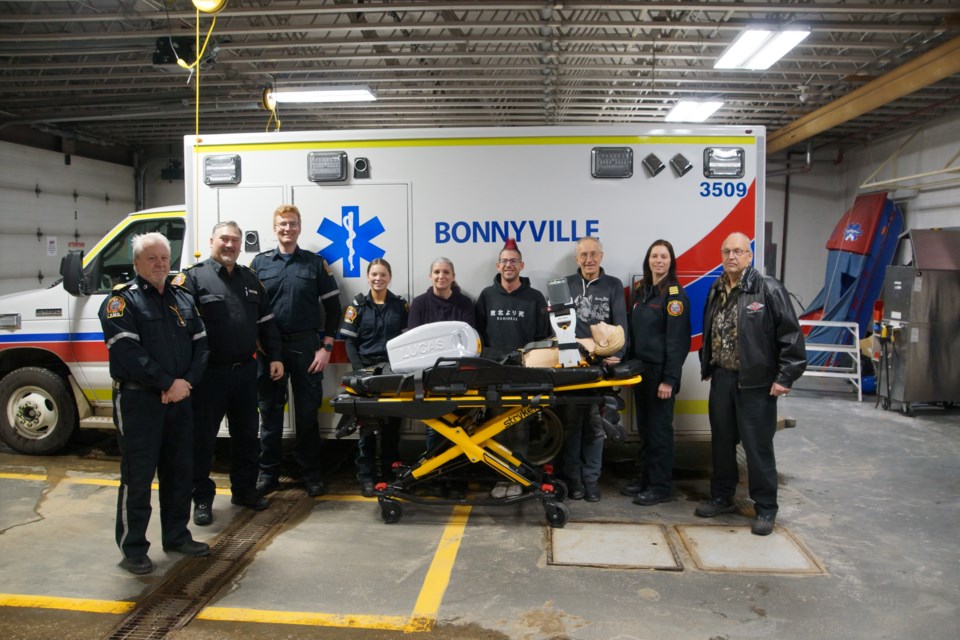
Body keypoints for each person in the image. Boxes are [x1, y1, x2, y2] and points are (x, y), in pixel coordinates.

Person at [99, 232, 210, 575]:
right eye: (151, 258)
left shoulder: (182, 298)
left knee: (179, 471)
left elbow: (202, 346)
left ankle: (176, 535)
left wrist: (185, 384)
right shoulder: (122, 302)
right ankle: (133, 548)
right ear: (136, 264)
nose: (160, 263)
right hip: (139, 400)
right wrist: (166, 383)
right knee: (138, 475)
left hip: (179, 399)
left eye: (164, 257)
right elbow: (128, 352)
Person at [696, 232, 807, 536]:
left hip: (756, 384)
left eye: (738, 251)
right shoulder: (716, 288)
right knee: (720, 443)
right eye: (727, 251)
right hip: (722, 379)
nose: (732, 256)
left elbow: (791, 335)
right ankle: (721, 497)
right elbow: (710, 328)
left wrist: (785, 376)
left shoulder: (768, 289)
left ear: (750, 256)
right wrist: (709, 363)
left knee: (757, 448)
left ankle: (766, 509)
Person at [184, 222, 284, 526]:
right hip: (209, 376)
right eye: (224, 239)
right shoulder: (193, 278)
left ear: (241, 245)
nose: (229, 245)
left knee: (246, 437)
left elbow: (266, 323)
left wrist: (275, 357)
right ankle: (201, 498)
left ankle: (244, 491)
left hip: (245, 371)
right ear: (212, 240)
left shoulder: (250, 279)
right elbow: (182, 329)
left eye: (235, 241)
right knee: (202, 440)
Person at [251, 204, 342, 498]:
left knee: (306, 416)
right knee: (270, 414)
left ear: (299, 228)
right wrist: (257, 344)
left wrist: (326, 348)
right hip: (270, 349)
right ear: (274, 228)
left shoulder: (314, 264)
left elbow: (333, 309)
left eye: (292, 224)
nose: (287, 228)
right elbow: (249, 307)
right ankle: (268, 474)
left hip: (306, 347)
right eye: (282, 224)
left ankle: (311, 473)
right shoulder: (259, 264)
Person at [475, 239, 550, 497]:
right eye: (505, 261)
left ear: (521, 265)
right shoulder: (486, 296)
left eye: (513, 261)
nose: (509, 265)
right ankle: (501, 478)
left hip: (524, 374)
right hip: (494, 373)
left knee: (519, 427)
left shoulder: (535, 297)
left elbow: (543, 337)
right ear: (498, 265)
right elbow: (478, 337)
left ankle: (516, 478)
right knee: (496, 427)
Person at [621, 240, 691, 506]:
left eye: (664, 256)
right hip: (642, 372)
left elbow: (678, 341)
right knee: (646, 430)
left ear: (671, 261)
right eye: (654, 256)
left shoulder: (675, 297)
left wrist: (669, 380)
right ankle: (645, 479)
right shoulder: (642, 291)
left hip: (661, 375)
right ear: (648, 260)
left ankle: (660, 487)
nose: (658, 261)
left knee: (660, 432)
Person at [559, 237, 628, 502]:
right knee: (572, 426)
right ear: (576, 259)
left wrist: (618, 354)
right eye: (584, 255)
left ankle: (591, 480)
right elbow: (555, 325)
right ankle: (573, 480)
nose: (589, 260)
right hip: (572, 368)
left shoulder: (613, 285)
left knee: (596, 427)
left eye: (594, 254)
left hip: (602, 370)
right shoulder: (564, 285)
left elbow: (622, 325)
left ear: (602, 256)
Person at [338, 258, 408, 497]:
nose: (378, 279)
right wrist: (359, 371)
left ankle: (389, 475)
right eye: (374, 275)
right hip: (365, 373)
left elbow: (408, 339)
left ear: (390, 277)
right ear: (368, 277)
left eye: (383, 275)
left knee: (391, 427)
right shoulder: (357, 306)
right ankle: (366, 477)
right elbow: (349, 341)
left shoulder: (400, 306)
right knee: (366, 429)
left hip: (392, 372)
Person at [407, 257, 475, 498]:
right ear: (430, 276)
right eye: (436, 271)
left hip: (459, 376)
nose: (441, 276)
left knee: (461, 427)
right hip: (429, 378)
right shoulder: (419, 304)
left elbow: (467, 342)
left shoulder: (465, 304)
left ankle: (458, 480)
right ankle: (435, 477)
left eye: (446, 272)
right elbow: (415, 343)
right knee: (433, 430)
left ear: (453, 276)